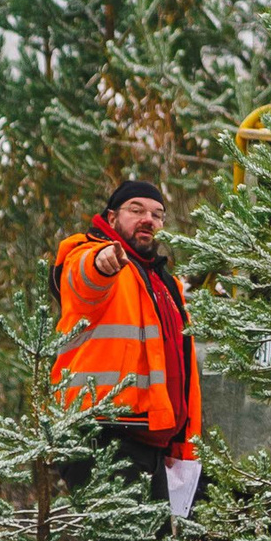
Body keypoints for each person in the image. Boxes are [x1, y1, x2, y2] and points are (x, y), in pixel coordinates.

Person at [53, 180, 203, 518]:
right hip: (99, 432)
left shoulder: (164, 283)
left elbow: (180, 369)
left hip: (148, 439)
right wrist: (102, 261)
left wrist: (179, 442)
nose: (148, 219)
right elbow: (82, 280)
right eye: (136, 210)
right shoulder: (89, 253)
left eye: (157, 214)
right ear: (111, 216)